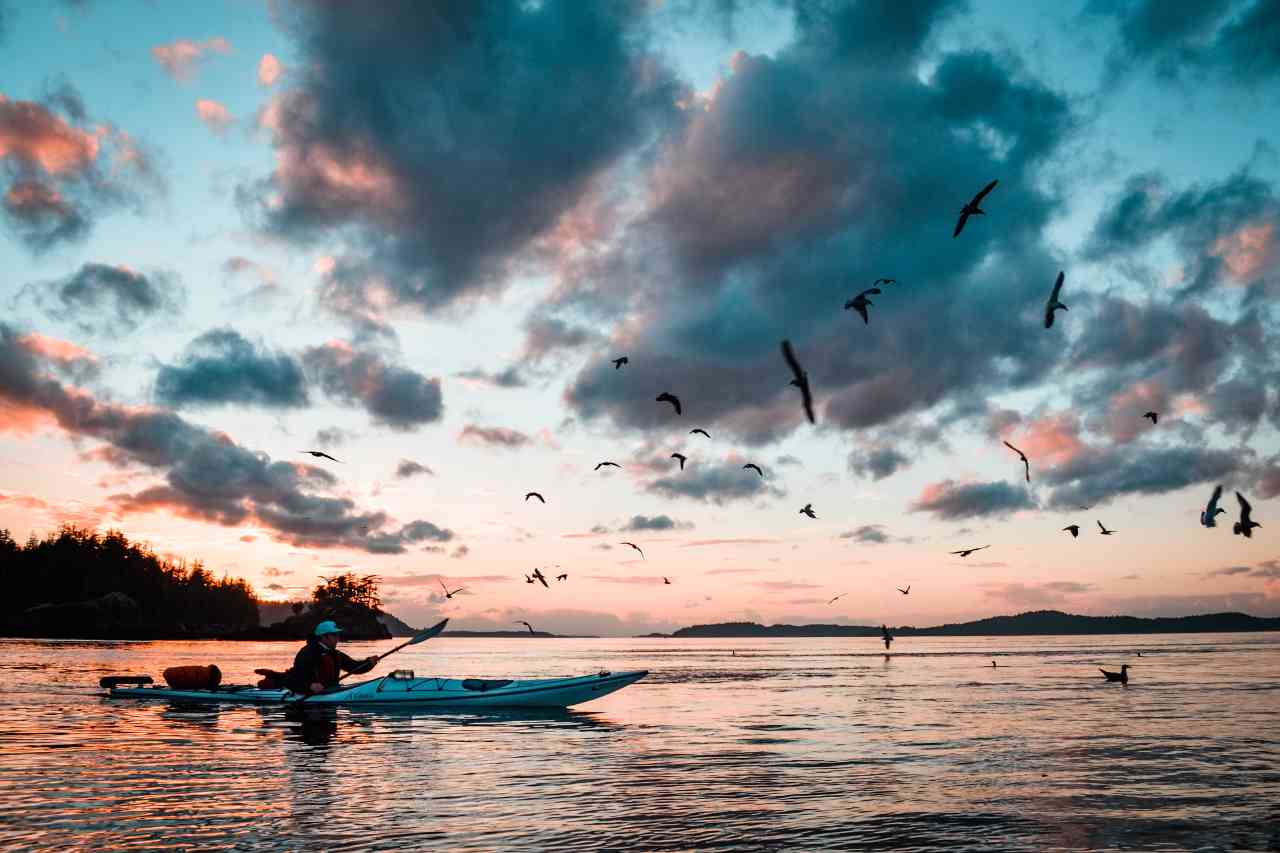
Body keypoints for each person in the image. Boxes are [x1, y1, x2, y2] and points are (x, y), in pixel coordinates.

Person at [285, 621, 379, 695]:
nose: (337, 638)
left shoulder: (335, 654)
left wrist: (369, 663)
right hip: (309, 697)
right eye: (334, 635)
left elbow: (354, 667)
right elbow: (292, 679)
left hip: (330, 692)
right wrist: (309, 686)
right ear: (323, 637)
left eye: (337, 635)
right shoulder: (307, 653)